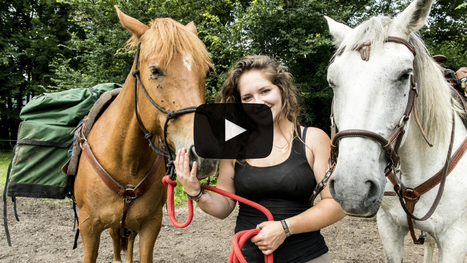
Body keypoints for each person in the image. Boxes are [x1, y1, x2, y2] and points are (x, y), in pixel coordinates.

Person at [174, 55, 345, 263]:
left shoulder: (313, 139)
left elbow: (336, 204)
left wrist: (285, 228)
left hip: (307, 256)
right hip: (247, 257)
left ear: (281, 89)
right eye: (247, 98)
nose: (258, 103)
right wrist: (195, 192)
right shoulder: (234, 146)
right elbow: (224, 207)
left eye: (265, 91)